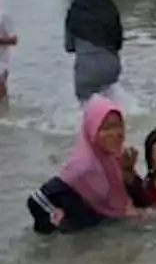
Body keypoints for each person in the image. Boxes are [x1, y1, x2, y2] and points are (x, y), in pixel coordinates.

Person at [27, 94, 148, 234]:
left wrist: (129, 171)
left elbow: (141, 201)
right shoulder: (82, 167)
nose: (115, 133)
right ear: (92, 130)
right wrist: (59, 230)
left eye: (118, 126)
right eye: (106, 128)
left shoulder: (115, 160)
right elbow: (36, 201)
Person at [65, 0, 124, 103]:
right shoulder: (110, 9)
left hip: (87, 69)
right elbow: (119, 43)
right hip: (111, 67)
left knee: (88, 110)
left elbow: (69, 47)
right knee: (111, 106)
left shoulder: (74, 12)